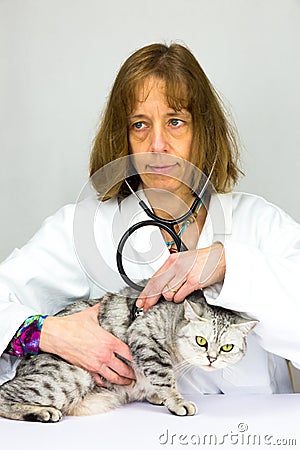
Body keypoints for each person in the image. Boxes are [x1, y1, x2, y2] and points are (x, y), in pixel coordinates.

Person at [0, 42, 299, 394]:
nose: (157, 144)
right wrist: (48, 333)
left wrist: (228, 265)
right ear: (123, 137)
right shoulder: (85, 227)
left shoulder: (261, 222)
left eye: (175, 122)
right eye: (140, 124)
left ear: (203, 131)